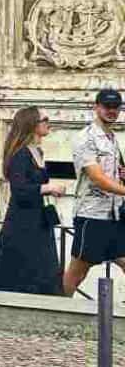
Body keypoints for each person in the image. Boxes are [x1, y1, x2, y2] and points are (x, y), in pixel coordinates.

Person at [0, 106, 65, 295]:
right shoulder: (21, 154)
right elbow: (19, 190)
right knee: (23, 270)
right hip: (22, 224)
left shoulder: (37, 152)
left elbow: (33, 184)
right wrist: (49, 187)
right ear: (32, 124)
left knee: (42, 267)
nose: (48, 122)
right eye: (44, 119)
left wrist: (49, 190)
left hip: (38, 219)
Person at [63, 89, 125, 297]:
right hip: (92, 215)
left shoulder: (111, 139)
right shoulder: (86, 138)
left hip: (114, 214)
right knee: (78, 272)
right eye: (107, 106)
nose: (112, 111)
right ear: (96, 107)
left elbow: (112, 174)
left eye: (116, 107)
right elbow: (97, 177)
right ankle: (55, 311)